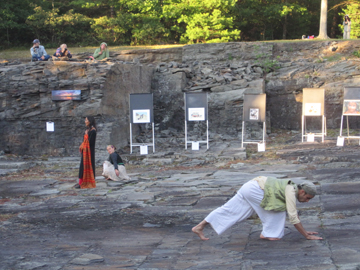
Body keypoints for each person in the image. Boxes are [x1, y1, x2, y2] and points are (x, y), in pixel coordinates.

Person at [192, 176, 323, 241]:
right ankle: (269, 234)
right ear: (302, 192)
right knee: (278, 210)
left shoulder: (291, 187)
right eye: (308, 198)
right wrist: (306, 235)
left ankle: (199, 227)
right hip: (255, 190)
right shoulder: (290, 191)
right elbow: (293, 216)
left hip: (250, 186)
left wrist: (305, 232)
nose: (307, 201)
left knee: (230, 209)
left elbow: (294, 214)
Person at [76, 116, 97, 189]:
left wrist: (86, 136)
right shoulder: (88, 130)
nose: (85, 121)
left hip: (89, 152)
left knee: (88, 166)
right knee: (82, 166)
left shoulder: (93, 131)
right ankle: (81, 182)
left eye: (86, 120)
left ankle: (88, 182)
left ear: (90, 121)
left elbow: (90, 143)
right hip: (85, 152)